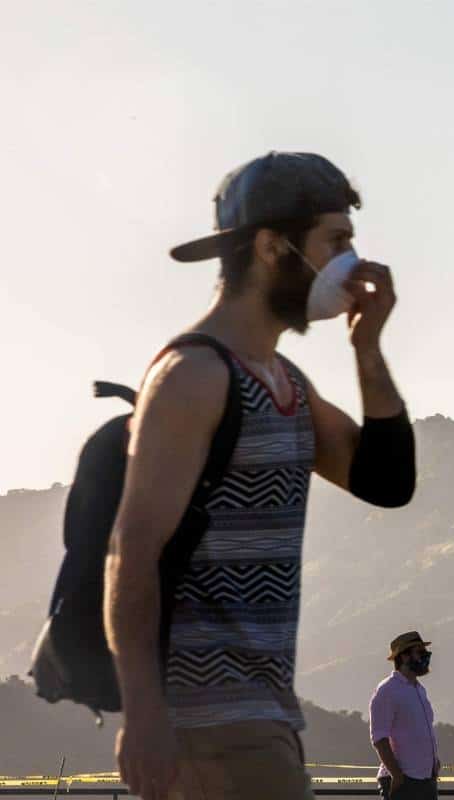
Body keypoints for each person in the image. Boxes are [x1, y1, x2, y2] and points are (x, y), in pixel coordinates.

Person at [104, 152, 416, 800]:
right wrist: (144, 714)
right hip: (208, 729)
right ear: (273, 247)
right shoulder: (195, 376)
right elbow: (131, 554)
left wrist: (367, 349)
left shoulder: (285, 383)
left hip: (264, 718)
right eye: (336, 241)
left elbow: (386, 482)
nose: (352, 262)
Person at [370, 632, 440, 800]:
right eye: (420, 651)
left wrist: (434, 762)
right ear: (404, 656)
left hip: (426, 779)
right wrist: (396, 774)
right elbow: (379, 738)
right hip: (404, 779)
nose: (425, 655)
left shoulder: (420, 689)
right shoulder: (387, 690)